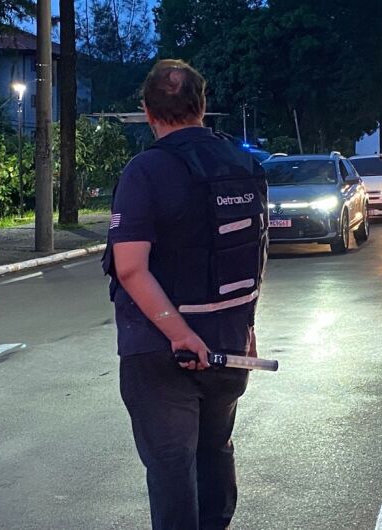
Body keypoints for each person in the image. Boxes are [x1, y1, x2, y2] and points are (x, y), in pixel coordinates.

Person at [102, 59, 268, 530]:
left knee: (172, 469)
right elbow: (252, 253)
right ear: (202, 104)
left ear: (147, 111)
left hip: (162, 353)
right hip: (230, 345)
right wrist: (247, 326)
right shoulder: (245, 164)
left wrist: (178, 334)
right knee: (215, 453)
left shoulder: (146, 171)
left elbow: (129, 267)